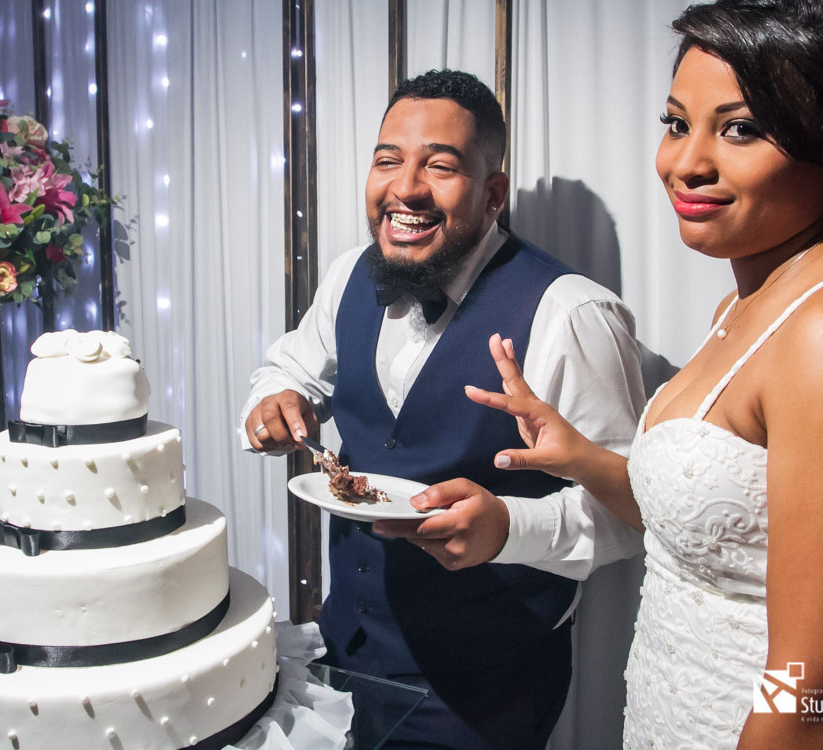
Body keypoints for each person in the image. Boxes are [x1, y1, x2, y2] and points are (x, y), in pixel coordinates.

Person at [466, 1, 823, 747]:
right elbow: (725, 535)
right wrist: (580, 456)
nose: (685, 163)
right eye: (677, 123)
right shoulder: (745, 303)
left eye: (739, 129)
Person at [241, 70, 646, 748]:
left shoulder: (572, 314)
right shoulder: (348, 275)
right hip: (347, 650)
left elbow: (631, 512)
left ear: (492, 194)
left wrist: (509, 528)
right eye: (387, 160)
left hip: (485, 687)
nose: (405, 188)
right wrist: (275, 398)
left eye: (440, 166)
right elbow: (289, 367)